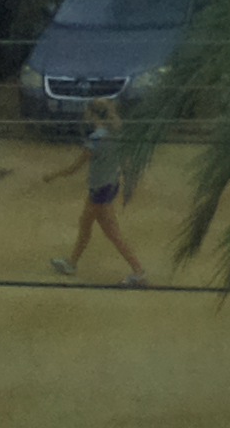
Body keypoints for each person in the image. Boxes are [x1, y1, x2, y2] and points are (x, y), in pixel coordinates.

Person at [44, 96, 151, 286]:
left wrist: (53, 175)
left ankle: (138, 271)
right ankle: (71, 263)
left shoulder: (96, 140)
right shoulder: (116, 135)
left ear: (92, 114)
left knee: (109, 232)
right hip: (109, 186)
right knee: (88, 226)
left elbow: (74, 168)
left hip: (99, 190)